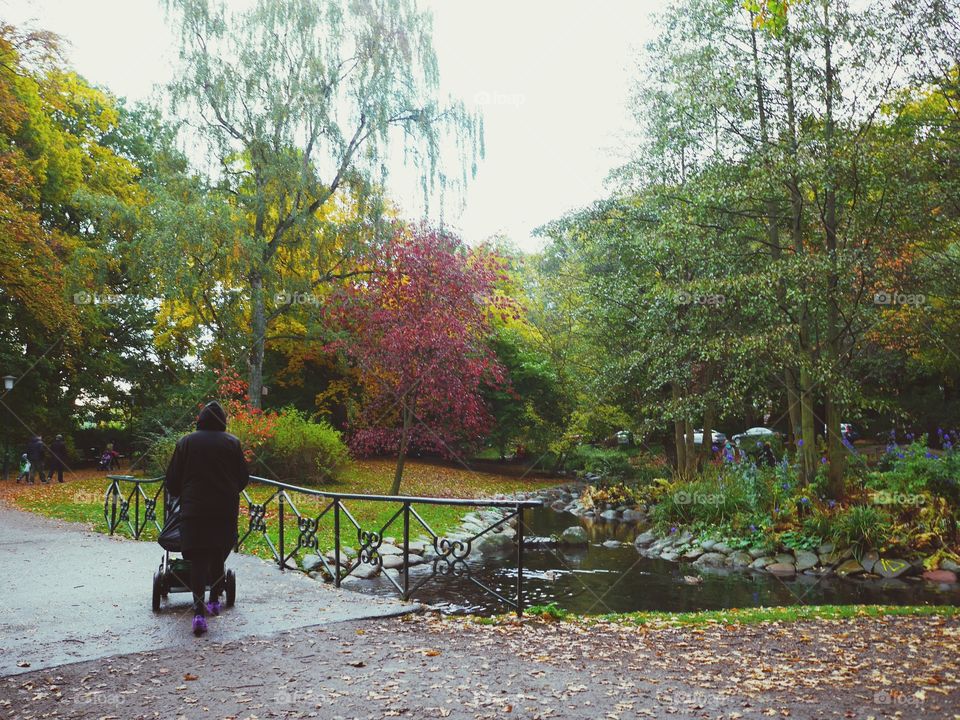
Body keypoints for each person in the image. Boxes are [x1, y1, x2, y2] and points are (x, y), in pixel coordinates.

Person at [165, 401, 249, 637]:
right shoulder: (232, 443)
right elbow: (243, 478)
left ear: (200, 420)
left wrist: (185, 492)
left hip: (195, 511)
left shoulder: (186, 443)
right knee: (218, 553)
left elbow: (172, 480)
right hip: (224, 509)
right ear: (222, 421)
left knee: (199, 559)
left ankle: (198, 614)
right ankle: (214, 600)